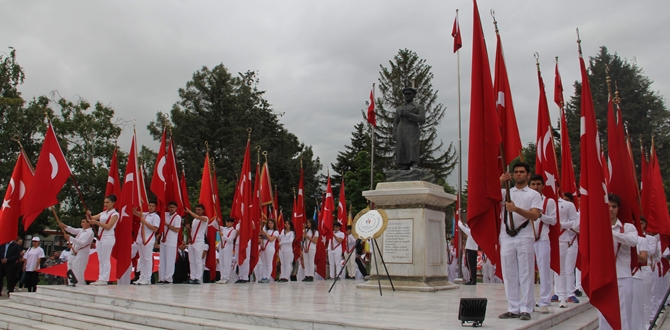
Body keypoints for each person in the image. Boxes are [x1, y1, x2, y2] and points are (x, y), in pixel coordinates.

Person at [498, 162, 542, 321]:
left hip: (524, 235)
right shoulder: (506, 192)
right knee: (509, 273)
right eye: (516, 172)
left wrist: (516, 210)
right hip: (507, 235)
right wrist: (500, 181)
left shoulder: (533, 194)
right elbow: (488, 195)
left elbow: (535, 215)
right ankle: (513, 307)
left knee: (526, 272)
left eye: (522, 172)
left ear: (528, 175)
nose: (518, 175)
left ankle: (526, 308)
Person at [597, 194, 639, 330]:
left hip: (623, 276)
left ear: (618, 208)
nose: (611, 209)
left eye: (614, 207)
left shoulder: (627, 227)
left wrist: (610, 232)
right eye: (608, 206)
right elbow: (577, 226)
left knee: (624, 315)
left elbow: (633, 241)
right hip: (603, 278)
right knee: (604, 315)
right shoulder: (597, 227)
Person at [527, 175, 558, 314]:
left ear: (543, 185)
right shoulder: (526, 200)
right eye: (532, 184)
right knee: (526, 270)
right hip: (527, 238)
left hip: (543, 239)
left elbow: (553, 220)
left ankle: (544, 301)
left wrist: (540, 215)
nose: (535, 186)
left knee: (544, 270)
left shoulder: (549, 202)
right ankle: (528, 301)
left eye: (538, 184)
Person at [552, 193, 580, 308]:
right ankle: (557, 292)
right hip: (554, 239)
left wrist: (561, 224)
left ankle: (570, 292)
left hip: (569, 240)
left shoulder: (570, 207)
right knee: (555, 268)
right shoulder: (546, 203)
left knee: (568, 268)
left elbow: (576, 224)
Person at [87, 194, 119, 285]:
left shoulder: (115, 214)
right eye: (105, 202)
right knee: (100, 259)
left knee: (105, 258)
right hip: (100, 239)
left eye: (108, 202)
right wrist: (89, 215)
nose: (105, 204)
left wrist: (96, 222)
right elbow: (91, 219)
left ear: (113, 203)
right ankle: (100, 278)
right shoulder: (103, 213)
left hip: (108, 237)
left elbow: (108, 226)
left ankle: (105, 279)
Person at [393, 84, 426, 169]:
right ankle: (404, 164)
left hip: (412, 129)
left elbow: (422, 120)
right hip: (401, 129)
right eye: (405, 94)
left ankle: (413, 162)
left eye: (409, 94)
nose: (407, 96)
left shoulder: (418, 106)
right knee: (401, 146)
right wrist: (394, 133)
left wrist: (409, 115)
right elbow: (395, 122)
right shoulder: (399, 108)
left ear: (413, 95)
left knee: (412, 146)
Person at [632, 217, 656, 330]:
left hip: (644, 270)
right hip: (630, 271)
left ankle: (646, 325)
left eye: (641, 223)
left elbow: (650, 252)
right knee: (633, 301)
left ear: (645, 225)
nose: (639, 225)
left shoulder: (649, 239)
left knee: (645, 300)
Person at [59, 217, 95, 286]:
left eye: (83, 222)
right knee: (70, 267)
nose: (81, 224)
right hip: (73, 252)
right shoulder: (81, 231)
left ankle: (79, 285)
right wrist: (65, 226)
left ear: (89, 223)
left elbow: (82, 243)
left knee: (78, 270)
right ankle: (71, 283)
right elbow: (73, 230)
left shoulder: (90, 233)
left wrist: (70, 238)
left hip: (82, 253)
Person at [132, 201, 160, 285]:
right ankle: (142, 277)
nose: (151, 207)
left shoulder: (155, 217)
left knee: (147, 259)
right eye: (149, 205)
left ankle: (148, 278)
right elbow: (134, 212)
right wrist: (138, 203)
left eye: (153, 206)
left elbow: (155, 229)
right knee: (142, 259)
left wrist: (145, 223)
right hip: (141, 238)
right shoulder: (145, 214)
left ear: (155, 207)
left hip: (148, 239)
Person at [158, 202, 182, 284]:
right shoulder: (165, 215)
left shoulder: (177, 217)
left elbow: (177, 230)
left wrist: (167, 225)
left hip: (171, 241)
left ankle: (168, 278)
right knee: (163, 260)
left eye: (173, 207)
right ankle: (162, 278)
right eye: (170, 207)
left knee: (170, 260)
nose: (171, 209)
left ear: (176, 208)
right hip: (163, 240)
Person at [185, 204, 208, 284]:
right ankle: (192, 277)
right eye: (196, 210)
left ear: (203, 211)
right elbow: (194, 231)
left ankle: (198, 278)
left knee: (198, 260)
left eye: (199, 210)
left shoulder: (205, 218)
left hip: (199, 241)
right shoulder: (194, 220)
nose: (197, 211)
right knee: (191, 260)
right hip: (192, 242)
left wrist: (189, 211)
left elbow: (198, 217)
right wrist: (189, 229)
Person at [457, 220, 479, 285]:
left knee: (470, 266)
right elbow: (467, 228)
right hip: (474, 251)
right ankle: (473, 279)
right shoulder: (475, 232)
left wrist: (459, 222)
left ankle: (472, 280)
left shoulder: (471, 232)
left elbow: (463, 229)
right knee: (472, 266)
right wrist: (465, 224)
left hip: (470, 250)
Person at [216, 217, 236, 284]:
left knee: (227, 263)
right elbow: (216, 226)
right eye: (226, 222)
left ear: (232, 223)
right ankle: (222, 277)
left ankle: (226, 278)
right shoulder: (224, 229)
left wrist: (223, 235)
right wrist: (217, 220)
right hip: (222, 248)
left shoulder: (233, 231)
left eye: (228, 222)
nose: (227, 223)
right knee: (222, 263)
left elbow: (230, 240)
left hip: (228, 248)